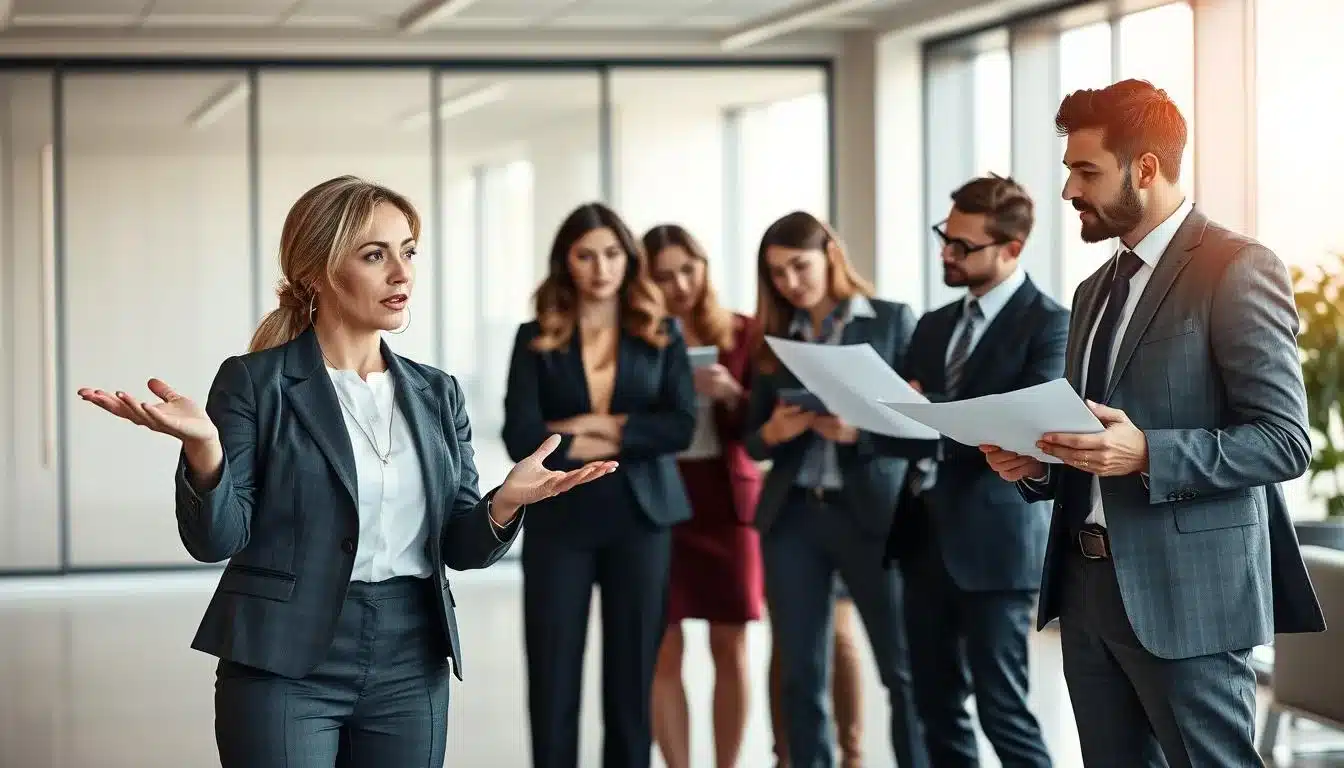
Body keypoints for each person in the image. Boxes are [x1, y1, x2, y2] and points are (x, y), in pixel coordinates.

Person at [76, 176, 616, 768]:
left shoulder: (437, 393)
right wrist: (207, 451)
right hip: (283, 658)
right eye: (374, 255)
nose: (402, 274)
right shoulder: (256, 383)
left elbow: (460, 547)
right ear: (317, 272)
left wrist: (502, 504)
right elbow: (216, 540)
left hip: (413, 657)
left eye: (408, 251)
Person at [981, 79, 1325, 768]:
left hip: (1189, 597)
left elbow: (1286, 441)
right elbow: (1097, 433)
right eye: (1069, 171)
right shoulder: (1093, 291)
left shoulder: (1236, 267)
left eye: (1087, 171)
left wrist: (1148, 454)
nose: (1069, 191)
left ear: (1144, 168)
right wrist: (1041, 461)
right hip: (1086, 589)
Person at [502, 203, 697, 768]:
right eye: (585, 255)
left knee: (633, 678)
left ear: (628, 259)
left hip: (641, 518)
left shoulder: (662, 333)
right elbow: (521, 432)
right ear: (567, 262)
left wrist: (593, 427)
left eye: (611, 254)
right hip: (560, 518)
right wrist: (622, 434)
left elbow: (680, 425)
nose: (600, 267)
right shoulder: (534, 336)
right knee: (553, 671)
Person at [885, 174, 1063, 768]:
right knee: (934, 709)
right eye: (945, 238)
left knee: (1003, 711)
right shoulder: (933, 324)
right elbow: (910, 427)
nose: (947, 254)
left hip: (995, 546)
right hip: (922, 539)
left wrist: (926, 411)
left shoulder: (1050, 325)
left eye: (963, 245)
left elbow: (1023, 427)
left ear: (1012, 248)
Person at [744, 211, 927, 768]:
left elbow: (922, 426)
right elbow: (753, 441)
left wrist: (859, 431)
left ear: (830, 253)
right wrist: (772, 433)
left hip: (871, 512)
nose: (791, 283)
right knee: (800, 670)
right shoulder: (775, 339)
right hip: (794, 516)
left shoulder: (892, 321)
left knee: (903, 668)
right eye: (777, 274)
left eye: (799, 266)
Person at [642, 223, 763, 768]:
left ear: (704, 267)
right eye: (663, 276)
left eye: (688, 269)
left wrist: (730, 392)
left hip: (726, 503)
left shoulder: (741, 331)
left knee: (730, 645)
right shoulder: (638, 339)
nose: (679, 284)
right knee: (662, 648)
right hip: (659, 503)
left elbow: (761, 424)